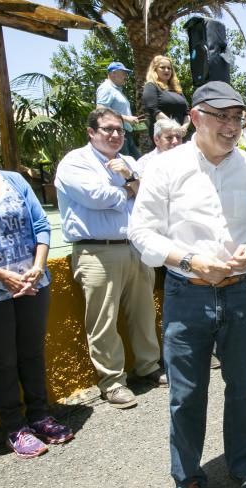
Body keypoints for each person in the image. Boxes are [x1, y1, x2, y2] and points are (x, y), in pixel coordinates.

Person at [127, 80, 246, 488]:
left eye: (237, 117)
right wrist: (190, 259)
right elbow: (143, 233)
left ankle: (242, 467)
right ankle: (187, 483)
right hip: (186, 293)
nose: (232, 126)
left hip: (240, 292)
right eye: (221, 116)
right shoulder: (164, 168)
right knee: (186, 394)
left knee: (243, 387)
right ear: (195, 117)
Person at [0, 120, 74, 458]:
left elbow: (41, 224)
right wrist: (2, 276)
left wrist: (38, 266)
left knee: (31, 353)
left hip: (32, 284)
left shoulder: (13, 180)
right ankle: (14, 426)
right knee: (0, 361)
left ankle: (40, 415)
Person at [54, 107, 164, 409]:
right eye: (107, 129)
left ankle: (149, 365)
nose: (115, 135)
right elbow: (98, 197)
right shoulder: (75, 162)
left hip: (135, 246)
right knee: (103, 319)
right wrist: (130, 188)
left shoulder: (128, 161)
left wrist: (131, 180)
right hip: (96, 250)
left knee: (144, 312)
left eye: (119, 129)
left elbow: (151, 193)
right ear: (91, 133)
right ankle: (112, 381)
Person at [141, 56, 190, 144]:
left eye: (169, 68)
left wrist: (184, 127)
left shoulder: (177, 89)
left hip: (181, 135)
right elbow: (154, 110)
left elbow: (187, 112)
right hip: (164, 136)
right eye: (162, 67)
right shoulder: (151, 86)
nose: (166, 70)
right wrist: (174, 128)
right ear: (155, 70)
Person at [96, 62, 141, 158]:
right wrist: (127, 119)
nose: (126, 76)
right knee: (126, 166)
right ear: (113, 73)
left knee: (137, 165)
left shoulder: (116, 90)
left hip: (125, 135)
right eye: (123, 73)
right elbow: (100, 110)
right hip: (116, 135)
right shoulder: (106, 88)